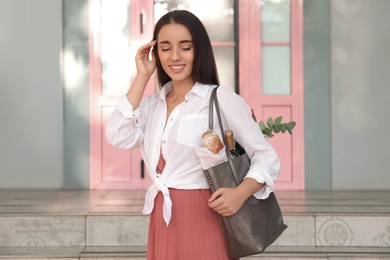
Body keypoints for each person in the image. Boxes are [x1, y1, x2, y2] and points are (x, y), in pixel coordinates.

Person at [105, 10, 280, 260]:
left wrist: (239, 193)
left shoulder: (219, 98)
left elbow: (267, 157)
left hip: (206, 214)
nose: (175, 56)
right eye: (165, 48)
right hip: (163, 216)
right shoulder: (152, 106)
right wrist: (143, 76)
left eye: (185, 47)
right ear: (156, 53)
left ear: (199, 50)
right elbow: (117, 136)